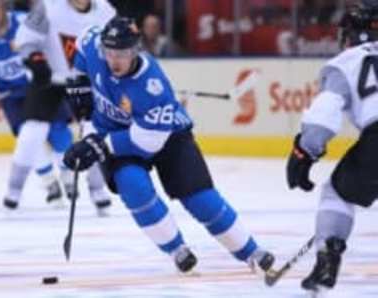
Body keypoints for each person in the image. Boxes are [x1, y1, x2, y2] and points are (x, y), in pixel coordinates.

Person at [63, 17, 275, 274]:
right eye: (109, 52)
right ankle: (177, 250)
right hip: (114, 130)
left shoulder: (153, 86)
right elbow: (80, 48)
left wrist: (99, 144)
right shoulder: (93, 43)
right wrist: (79, 85)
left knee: (200, 198)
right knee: (133, 185)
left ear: (136, 50)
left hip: (165, 135)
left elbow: (147, 141)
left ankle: (250, 250)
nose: (114, 60)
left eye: (122, 53)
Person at [286, 0, 378, 294]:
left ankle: (328, 258)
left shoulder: (345, 62)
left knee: (336, 193)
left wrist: (304, 151)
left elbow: (323, 118)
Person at [0, 0, 72, 209]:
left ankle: (67, 172)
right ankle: (49, 182)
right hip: (13, 98)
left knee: (58, 129)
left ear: (5, 8)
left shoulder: (25, 22)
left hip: (42, 88)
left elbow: (54, 41)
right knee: (28, 137)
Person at [13, 0, 116, 216]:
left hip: (86, 82)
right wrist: (36, 61)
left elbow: (119, 46)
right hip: (50, 80)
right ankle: (13, 190)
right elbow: (25, 41)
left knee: (95, 131)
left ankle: (98, 188)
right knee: (31, 131)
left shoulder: (105, 10)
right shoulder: (48, 7)